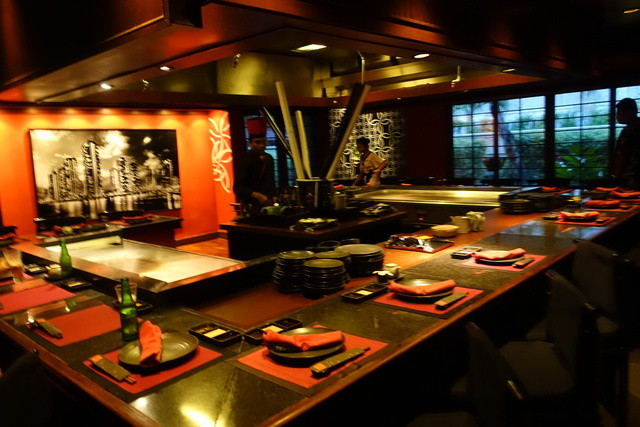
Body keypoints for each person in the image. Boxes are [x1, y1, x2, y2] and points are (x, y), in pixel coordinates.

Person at [233, 117, 276, 215]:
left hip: (268, 205)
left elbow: (271, 183)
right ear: (250, 143)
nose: (261, 145)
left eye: (264, 141)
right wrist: (257, 195)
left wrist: (273, 195)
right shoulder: (246, 161)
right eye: (257, 142)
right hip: (251, 206)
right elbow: (238, 188)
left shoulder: (269, 158)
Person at [612, 98, 640, 189]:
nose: (616, 116)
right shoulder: (626, 130)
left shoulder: (634, 130)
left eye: (619, 112)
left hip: (634, 179)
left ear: (629, 112)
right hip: (626, 179)